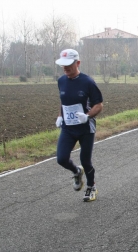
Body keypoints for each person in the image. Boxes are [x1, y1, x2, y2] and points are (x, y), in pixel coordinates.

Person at [55, 49, 103, 202]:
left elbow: (99, 105)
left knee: (85, 160)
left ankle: (91, 186)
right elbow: (63, 100)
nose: (65, 68)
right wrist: (60, 116)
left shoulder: (88, 82)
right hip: (68, 128)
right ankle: (76, 172)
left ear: (78, 63)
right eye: (63, 65)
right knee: (61, 158)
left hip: (85, 128)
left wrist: (87, 116)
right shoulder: (61, 81)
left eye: (68, 64)